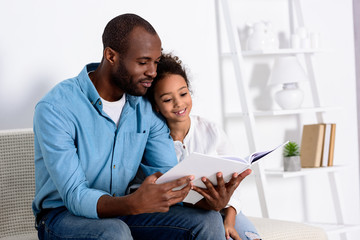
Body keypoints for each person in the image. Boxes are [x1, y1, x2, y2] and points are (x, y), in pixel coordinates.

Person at [32, 13, 249, 240]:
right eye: (143, 62)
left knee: (206, 222)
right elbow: (75, 196)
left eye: (155, 62)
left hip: (126, 211)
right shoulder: (55, 108)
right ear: (111, 55)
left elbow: (170, 179)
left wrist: (211, 202)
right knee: (115, 232)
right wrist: (133, 203)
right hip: (62, 217)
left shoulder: (145, 108)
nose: (153, 72)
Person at [146, 53, 261, 240]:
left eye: (183, 94)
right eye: (167, 99)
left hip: (225, 209)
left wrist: (230, 220)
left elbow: (234, 186)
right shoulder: (155, 144)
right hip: (190, 212)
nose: (179, 103)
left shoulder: (211, 131)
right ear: (156, 106)